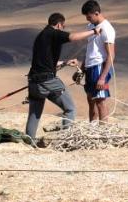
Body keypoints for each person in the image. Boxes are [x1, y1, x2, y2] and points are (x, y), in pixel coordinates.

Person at [25, 12, 97, 141]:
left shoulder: (41, 36)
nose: (63, 29)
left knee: (34, 114)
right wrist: (94, 31)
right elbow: (74, 37)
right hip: (48, 81)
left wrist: (65, 63)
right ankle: (66, 140)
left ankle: (29, 140)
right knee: (70, 109)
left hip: (33, 82)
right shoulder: (53, 33)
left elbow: (45, 62)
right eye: (63, 27)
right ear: (59, 25)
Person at [81, 0, 116, 122]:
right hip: (90, 66)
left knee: (100, 101)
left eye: (89, 16)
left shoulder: (107, 29)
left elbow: (111, 54)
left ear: (96, 13)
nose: (87, 19)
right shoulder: (91, 26)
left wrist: (102, 77)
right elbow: (90, 49)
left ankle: (103, 132)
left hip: (99, 66)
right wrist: (82, 68)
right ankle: (92, 128)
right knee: (90, 100)